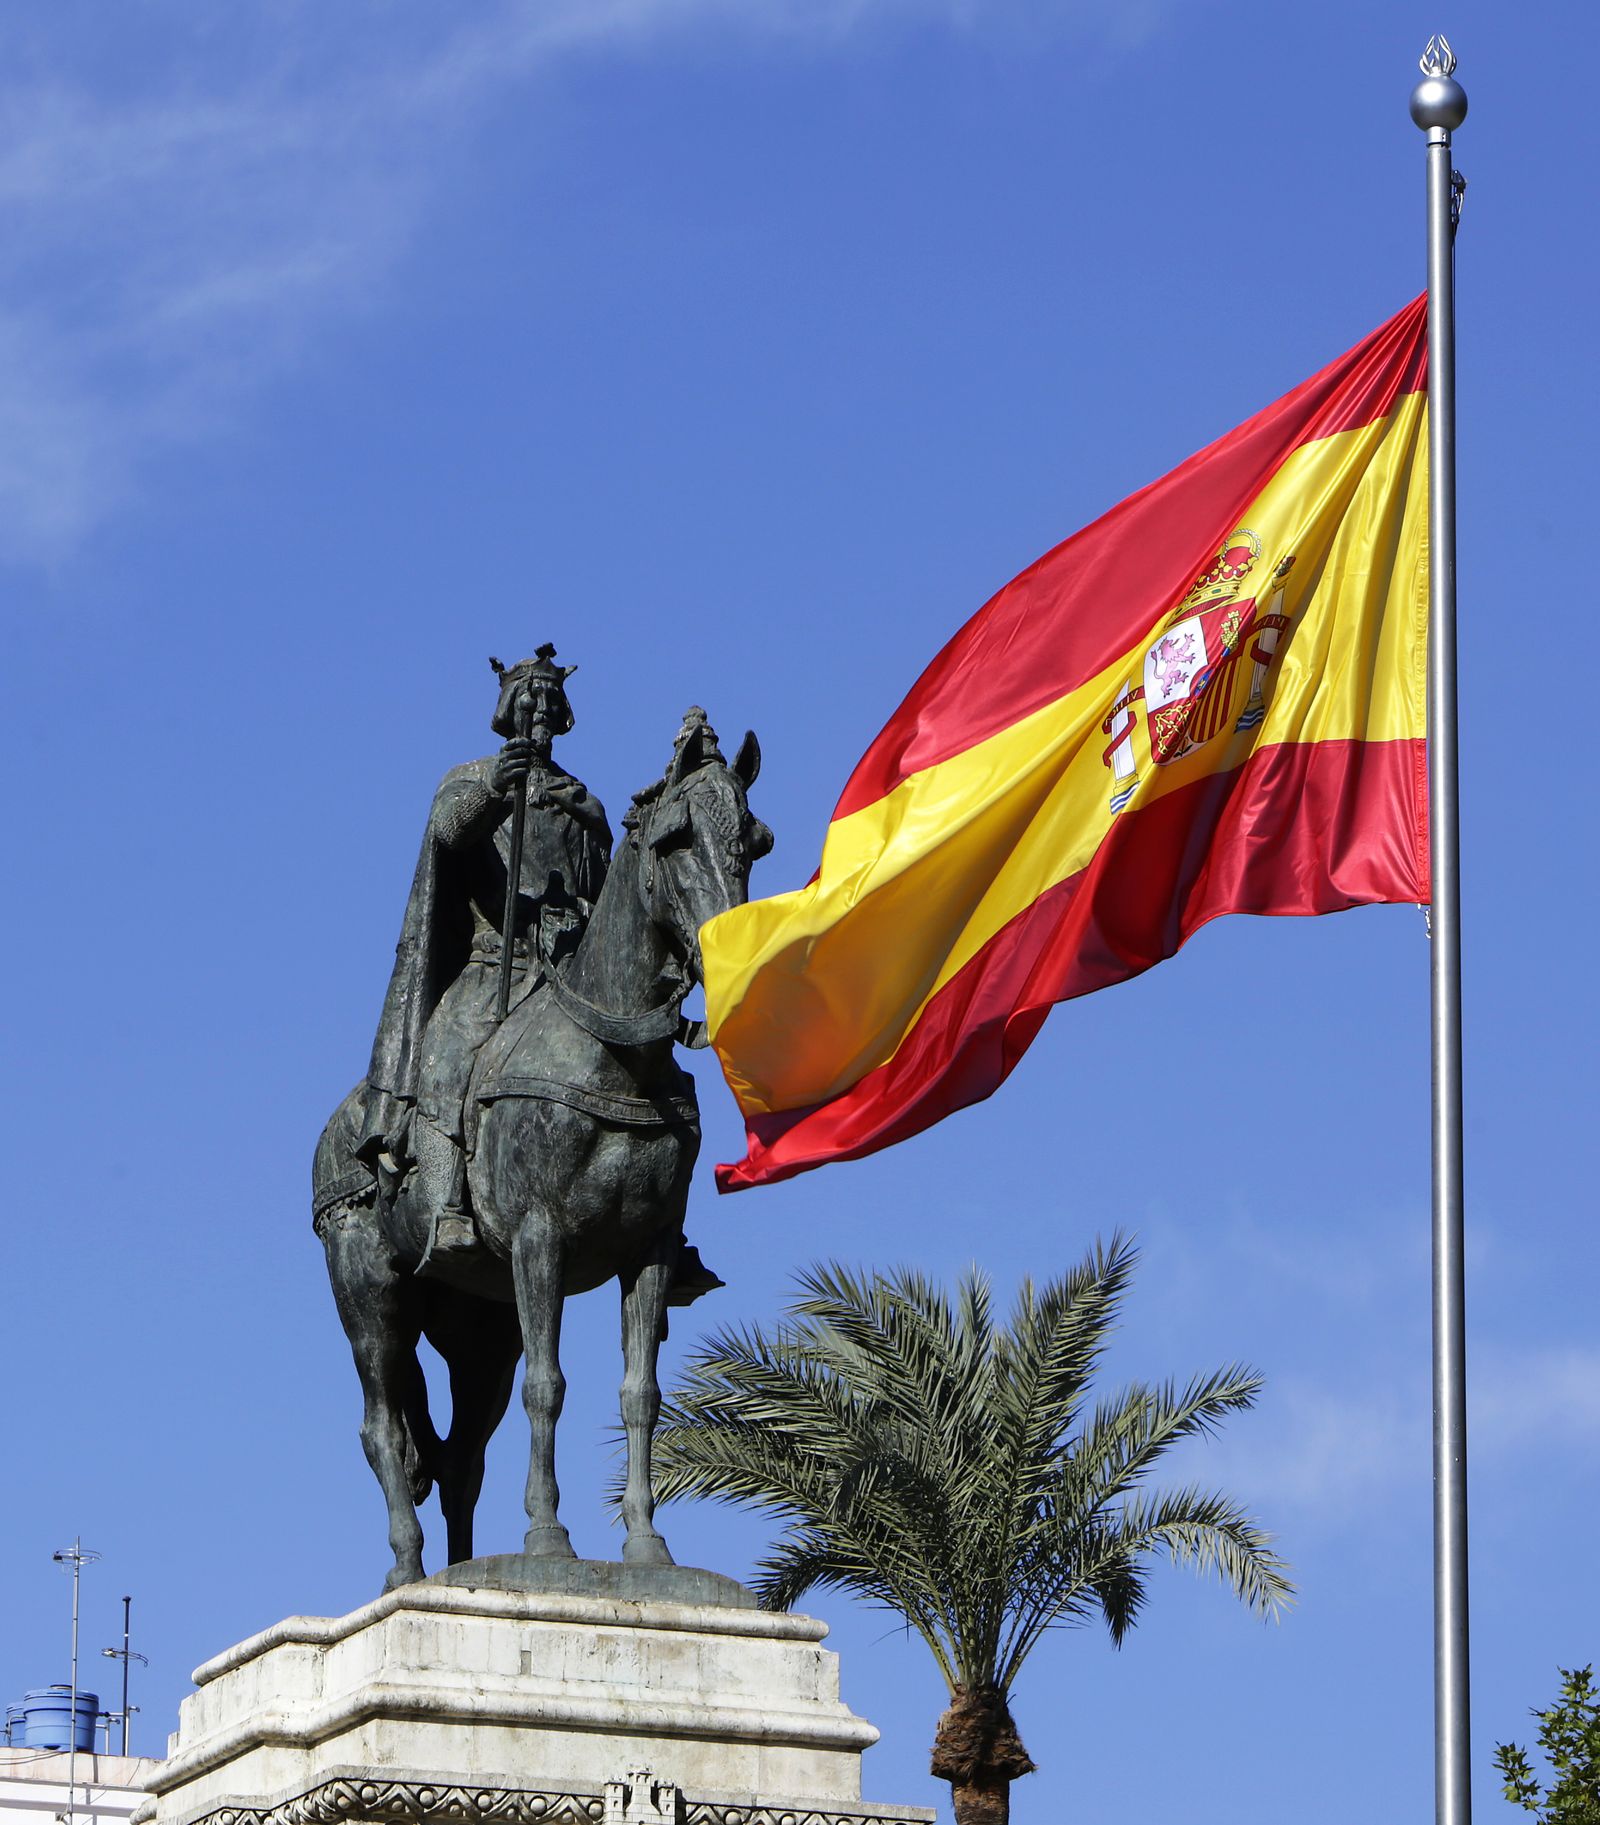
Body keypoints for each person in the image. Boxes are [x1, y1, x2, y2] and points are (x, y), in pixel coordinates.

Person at [357, 647, 611, 1258]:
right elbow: (450, 831)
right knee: (447, 1061)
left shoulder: (581, 803)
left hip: (567, 974)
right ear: (508, 709)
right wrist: (498, 788)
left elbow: (605, 894)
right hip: (492, 968)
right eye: (533, 699)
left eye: (554, 701)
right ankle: (448, 1209)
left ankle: (657, 1223)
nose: (544, 710)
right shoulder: (471, 779)